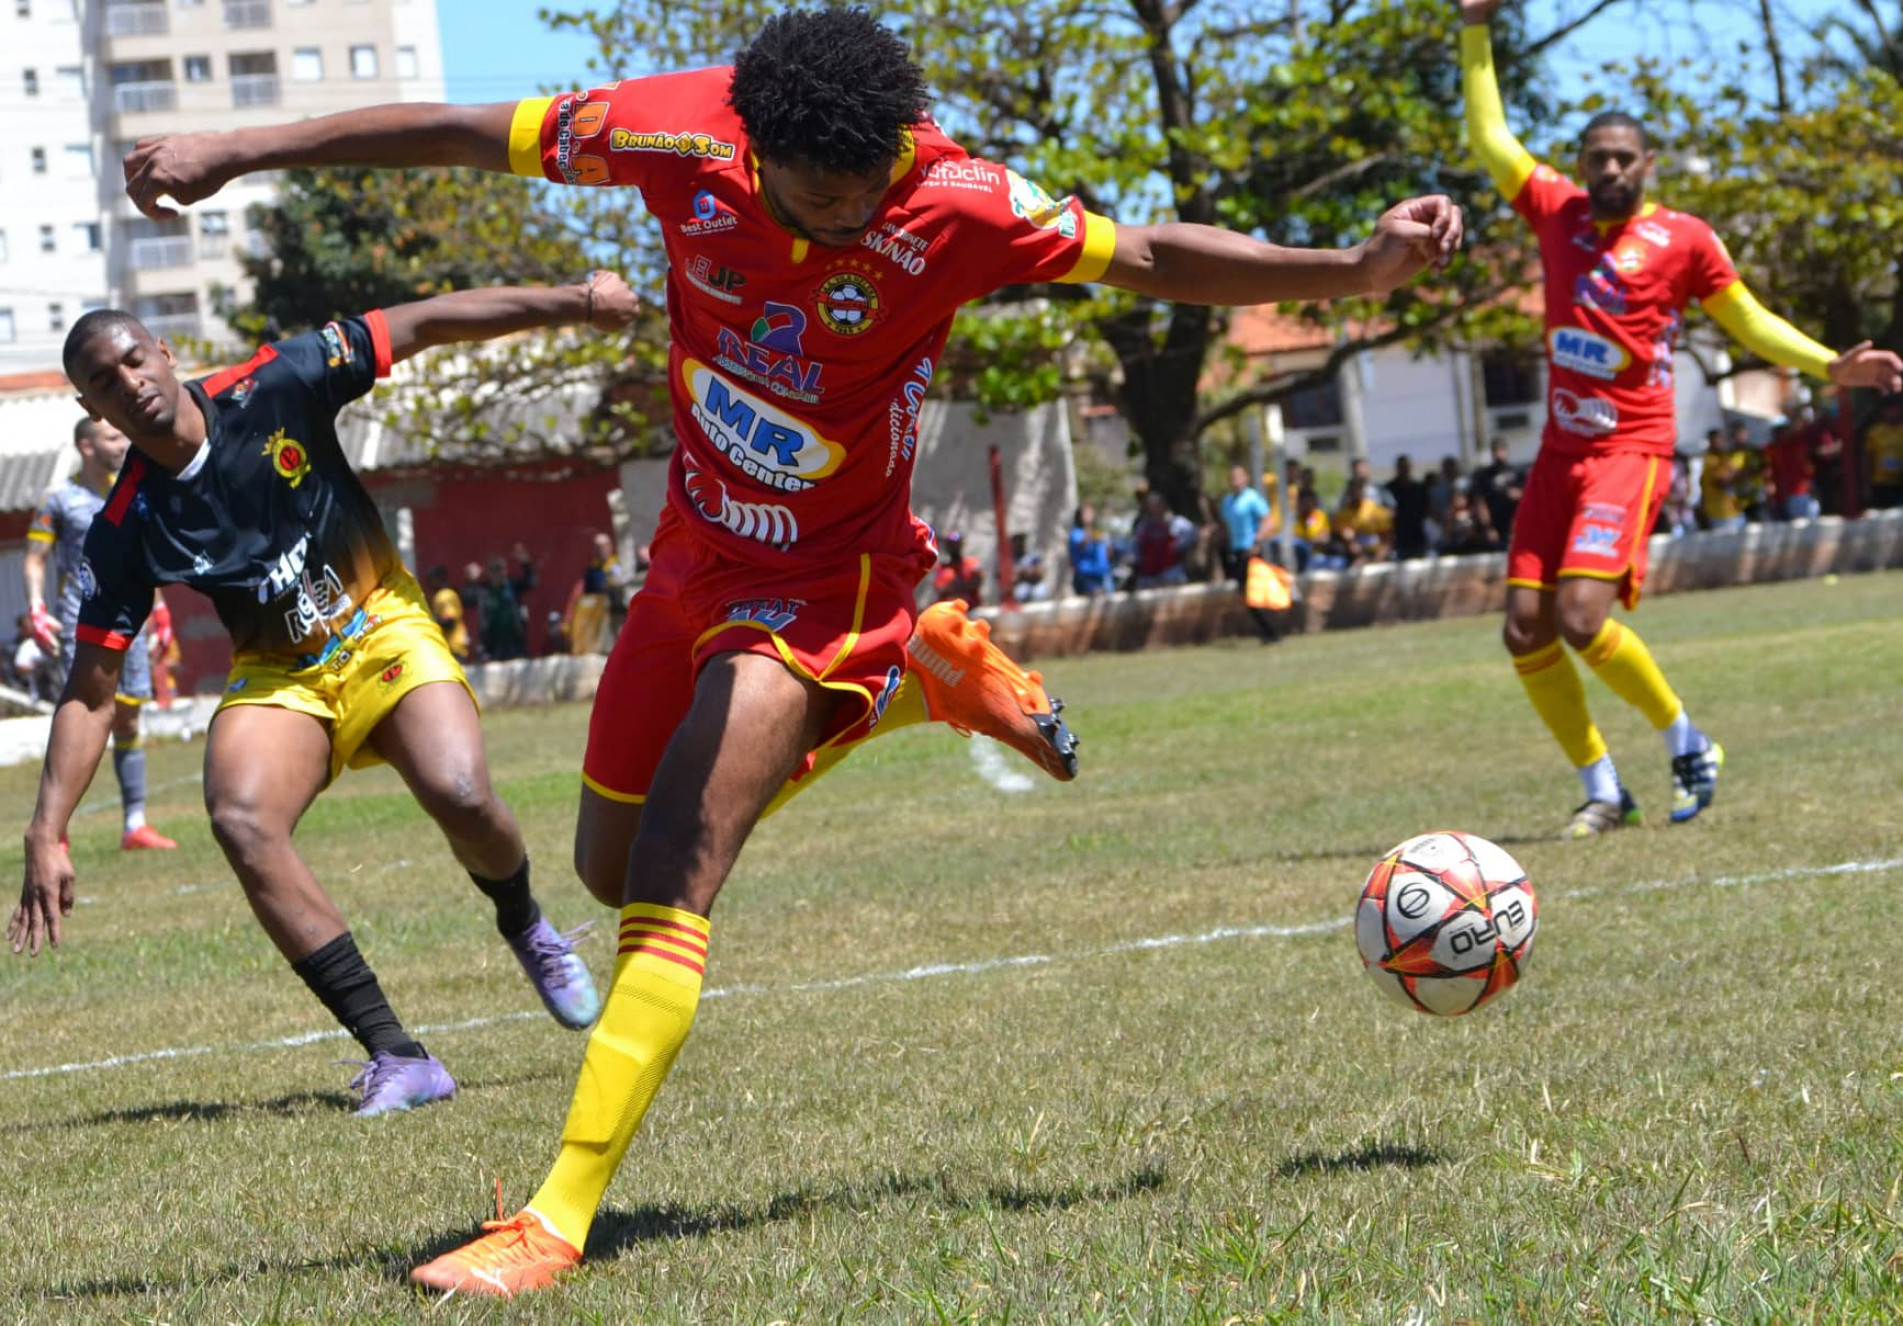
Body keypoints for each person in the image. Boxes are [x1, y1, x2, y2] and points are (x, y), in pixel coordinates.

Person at [123, 5, 1460, 1292]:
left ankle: (552, 1217)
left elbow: (1149, 256)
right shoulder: (667, 135)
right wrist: (245, 147)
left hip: (832, 579)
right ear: (753, 154)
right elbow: (462, 131)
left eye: (870, 191)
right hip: (691, 562)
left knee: (671, 874)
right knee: (603, 858)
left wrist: (1348, 270)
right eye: (821, 204)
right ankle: (920, 687)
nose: (852, 223)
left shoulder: (959, 200)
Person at [10, 278, 642, 1113]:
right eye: (103, 380)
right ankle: (400, 1056)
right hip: (282, 674)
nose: (127, 381)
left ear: (164, 353)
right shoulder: (126, 523)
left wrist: (575, 300)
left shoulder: (274, 382)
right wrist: (46, 827)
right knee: (240, 817)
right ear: (91, 407)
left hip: (379, 621)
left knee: (458, 792)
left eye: (134, 357)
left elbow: (417, 322)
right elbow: (90, 692)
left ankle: (525, 921)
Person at [1461, 0, 1902, 839]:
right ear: (1582, 164)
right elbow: (1490, 138)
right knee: (1523, 629)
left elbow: (1747, 321)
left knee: (1581, 618)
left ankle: (1684, 739)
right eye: (1598, 158)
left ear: (1647, 163)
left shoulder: (1682, 239)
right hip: (1558, 453)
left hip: (1629, 451)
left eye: (1625, 158)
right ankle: (1602, 787)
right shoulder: (1554, 213)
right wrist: (1474, 27)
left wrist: (1826, 365)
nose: (1612, 170)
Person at [24, 419, 177, 851]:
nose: (123, 443)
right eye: (112, 438)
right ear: (86, 446)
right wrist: (36, 607)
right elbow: (35, 559)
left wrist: (161, 612)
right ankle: (55, 828)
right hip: (80, 619)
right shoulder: (58, 499)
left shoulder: (127, 492)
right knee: (83, 711)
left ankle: (135, 825)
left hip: (131, 617)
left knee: (129, 715)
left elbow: (144, 557)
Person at [1216, 464, 1280, 641]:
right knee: (1245, 593)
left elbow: (1269, 522)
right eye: (1232, 478)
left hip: (1251, 550)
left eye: (1238, 477)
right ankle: (1268, 631)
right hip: (1236, 550)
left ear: (1246, 479)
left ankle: (1271, 631)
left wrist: (1257, 540)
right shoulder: (1227, 502)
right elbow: (1225, 527)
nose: (1235, 482)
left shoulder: (1252, 498)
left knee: (1254, 591)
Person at [475, 545, 537, 662]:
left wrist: (526, 563)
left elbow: (531, 582)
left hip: (515, 642)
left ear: (505, 570)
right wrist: (471, 581)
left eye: (499, 568)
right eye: (492, 569)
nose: (496, 573)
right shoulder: (483, 591)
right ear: (487, 572)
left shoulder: (512, 585)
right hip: (493, 644)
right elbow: (467, 598)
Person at [1132, 491, 1198, 588]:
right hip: (1149, 578)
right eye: (1151, 505)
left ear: (1164, 505)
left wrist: (1176, 546)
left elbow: (1192, 534)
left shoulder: (1176, 523)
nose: (1155, 508)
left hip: (1172, 574)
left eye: (1158, 504)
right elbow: (1136, 549)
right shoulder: (1143, 527)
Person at [1764, 419, 1818, 520]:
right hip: (1786, 496)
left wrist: (1811, 485)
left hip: (1802, 493)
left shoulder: (1797, 445)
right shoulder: (1774, 450)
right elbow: (1770, 473)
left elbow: (1808, 468)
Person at [1469, 440, 1524, 539]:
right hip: (1495, 524)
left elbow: (1529, 495)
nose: (1499, 454)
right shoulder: (1485, 475)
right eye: (1496, 450)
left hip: (1515, 523)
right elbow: (1481, 502)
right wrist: (1488, 527)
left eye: (1502, 450)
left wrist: (1518, 494)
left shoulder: (1518, 472)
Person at [1386, 454, 1431, 559]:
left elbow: (1427, 510)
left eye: (1406, 467)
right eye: (1401, 467)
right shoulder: (1390, 488)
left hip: (1418, 536)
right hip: (1399, 537)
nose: (1404, 470)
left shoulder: (1419, 488)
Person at [1863, 394, 1903, 509]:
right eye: (1889, 409)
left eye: (1896, 409)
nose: (1893, 412)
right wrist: (1866, 484)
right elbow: (1867, 459)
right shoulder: (1875, 433)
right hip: (1881, 484)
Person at [425, 564, 471, 661]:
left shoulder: (444, 596)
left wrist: (428, 622)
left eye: (431, 579)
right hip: (455, 646)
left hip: (453, 646)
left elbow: (448, 621)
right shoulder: (448, 593)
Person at [1067, 505, 1114, 596]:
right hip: (1086, 578)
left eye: (1091, 513)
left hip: (1102, 575)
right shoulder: (1076, 533)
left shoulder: (1097, 533)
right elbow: (1081, 545)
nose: (1089, 515)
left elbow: (1107, 553)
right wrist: (1089, 529)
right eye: (1086, 513)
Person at [931, 530, 985, 605]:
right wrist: (964, 584)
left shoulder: (971, 562)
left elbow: (977, 581)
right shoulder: (942, 568)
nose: (954, 547)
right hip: (949, 608)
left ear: (961, 544)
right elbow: (940, 588)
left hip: (971, 607)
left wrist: (954, 586)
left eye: (957, 544)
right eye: (951, 544)